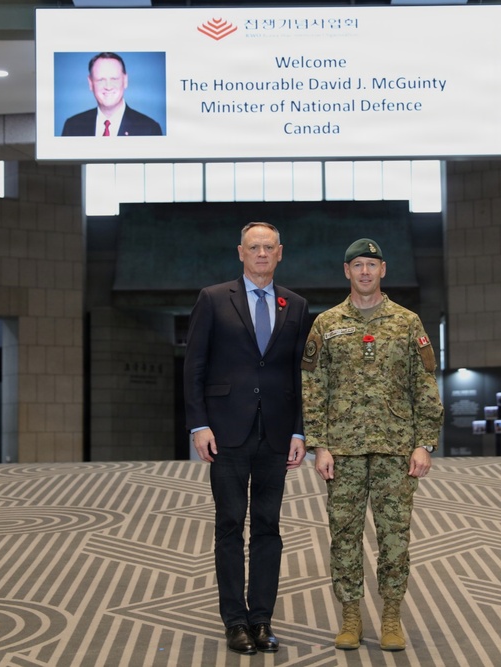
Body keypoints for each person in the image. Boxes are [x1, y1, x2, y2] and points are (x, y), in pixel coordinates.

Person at [301, 238, 443, 652]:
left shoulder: (407, 322)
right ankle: (350, 616)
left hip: (396, 449)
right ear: (346, 272)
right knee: (343, 535)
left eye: (372, 265)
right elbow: (313, 387)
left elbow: (424, 384)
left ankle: (392, 616)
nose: (365, 272)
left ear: (383, 271)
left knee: (394, 537)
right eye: (357, 265)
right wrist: (319, 445)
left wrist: (424, 443)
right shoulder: (326, 324)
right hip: (342, 449)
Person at [183, 222, 310, 655]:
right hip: (227, 432)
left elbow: (299, 373)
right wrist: (199, 424)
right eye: (253, 247)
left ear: (280, 253)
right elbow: (194, 366)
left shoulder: (295, 304)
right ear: (241, 252)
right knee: (230, 526)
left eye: (268, 248)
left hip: (276, 434)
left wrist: (299, 429)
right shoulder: (214, 299)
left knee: (269, 529)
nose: (260, 254)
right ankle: (234, 621)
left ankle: (262, 620)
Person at [61, 52, 163, 137]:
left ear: (125, 81)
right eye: (100, 80)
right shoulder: (72, 126)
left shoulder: (150, 129)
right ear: (90, 83)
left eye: (114, 79)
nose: (108, 86)